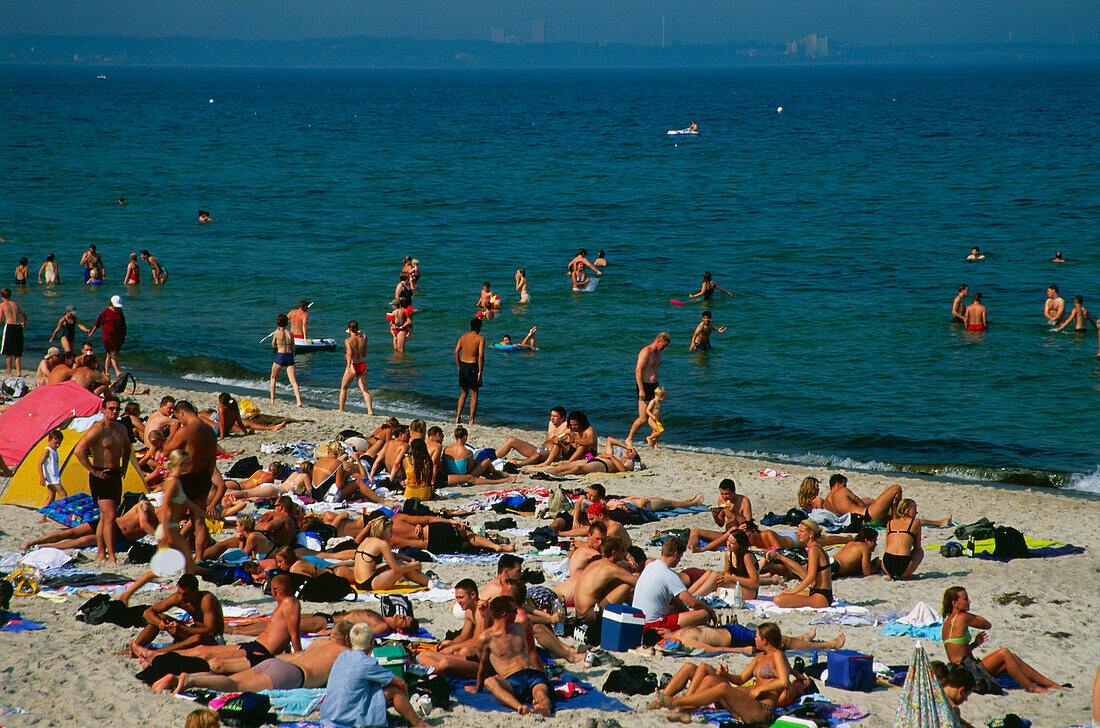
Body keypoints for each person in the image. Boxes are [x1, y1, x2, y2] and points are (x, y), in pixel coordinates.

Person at [655, 623, 805, 725]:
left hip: (763, 710)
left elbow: (783, 681)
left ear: (765, 640)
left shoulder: (777, 655)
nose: (754, 638)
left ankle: (676, 702)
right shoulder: (760, 657)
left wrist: (761, 689)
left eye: (757, 637)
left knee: (723, 688)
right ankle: (686, 712)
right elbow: (740, 679)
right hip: (749, 705)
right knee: (710, 680)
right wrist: (727, 676)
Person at [167, 620, 353, 694]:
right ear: (347, 638)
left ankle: (175, 679)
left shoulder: (319, 643)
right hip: (293, 675)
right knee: (235, 686)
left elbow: (295, 654)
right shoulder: (346, 653)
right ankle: (190, 679)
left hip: (275, 662)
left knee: (228, 680)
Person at [941, 586, 1067, 694]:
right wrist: (969, 613)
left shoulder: (947, 624)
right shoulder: (962, 617)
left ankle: (1050, 684)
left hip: (961, 670)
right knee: (1004, 653)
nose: (969, 601)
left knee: (1011, 657)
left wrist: (974, 644)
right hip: (969, 672)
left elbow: (957, 651)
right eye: (965, 599)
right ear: (954, 603)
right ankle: (1032, 687)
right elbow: (986, 624)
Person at [321, 623, 427, 728]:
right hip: (348, 718)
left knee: (369, 688)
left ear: (351, 640)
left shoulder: (342, 657)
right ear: (371, 641)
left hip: (328, 714)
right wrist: (406, 698)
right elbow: (400, 682)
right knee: (395, 691)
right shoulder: (367, 662)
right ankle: (420, 724)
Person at [467, 596, 554, 717]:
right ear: (505, 614)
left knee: (540, 693)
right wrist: (478, 688)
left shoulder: (519, 628)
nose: (517, 613)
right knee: (489, 681)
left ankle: (545, 708)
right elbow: (483, 665)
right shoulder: (487, 638)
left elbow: (532, 652)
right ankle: (520, 707)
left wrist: (544, 674)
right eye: (514, 611)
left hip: (532, 674)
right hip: (512, 680)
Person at [72, 394, 131, 562]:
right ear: (104, 410)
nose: (114, 411)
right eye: (111, 408)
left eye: (117, 409)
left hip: (115, 475)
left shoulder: (121, 429)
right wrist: (93, 470)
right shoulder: (98, 428)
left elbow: (127, 447)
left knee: (105, 517)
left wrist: (125, 465)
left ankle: (100, 553)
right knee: (111, 516)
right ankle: (111, 555)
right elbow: (79, 450)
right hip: (100, 474)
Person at [164, 400, 221, 557]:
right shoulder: (209, 431)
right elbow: (212, 460)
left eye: (179, 418)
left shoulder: (187, 430)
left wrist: (173, 432)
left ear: (182, 413)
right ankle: (200, 557)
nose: (179, 421)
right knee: (199, 521)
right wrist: (208, 478)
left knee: (175, 518)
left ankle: (173, 552)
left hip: (187, 477)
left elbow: (167, 450)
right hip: (203, 476)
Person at [632, 537, 717, 630]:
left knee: (677, 609)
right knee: (702, 614)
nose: (679, 561)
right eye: (680, 557)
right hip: (653, 625)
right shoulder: (669, 575)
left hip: (638, 621)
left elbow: (674, 600)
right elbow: (693, 603)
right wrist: (709, 610)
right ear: (676, 554)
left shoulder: (650, 566)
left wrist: (686, 611)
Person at [132, 573, 225, 657]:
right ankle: (134, 648)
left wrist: (183, 629)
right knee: (161, 617)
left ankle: (154, 652)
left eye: (185, 594)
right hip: (191, 633)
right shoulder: (178, 598)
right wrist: (160, 623)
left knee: (196, 638)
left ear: (195, 591)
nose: (181, 597)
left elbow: (210, 630)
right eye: (179, 593)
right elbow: (147, 613)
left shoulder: (206, 600)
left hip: (212, 639)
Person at [353, 516, 429, 592]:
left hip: (360, 583)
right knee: (404, 566)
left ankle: (427, 580)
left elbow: (391, 554)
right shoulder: (382, 544)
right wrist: (415, 566)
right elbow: (397, 569)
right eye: (390, 531)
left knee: (402, 563)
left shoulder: (367, 540)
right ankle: (430, 582)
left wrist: (410, 559)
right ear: (382, 530)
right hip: (370, 583)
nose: (392, 534)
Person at [571, 536, 638, 621]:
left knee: (618, 581)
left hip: (579, 613)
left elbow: (618, 566)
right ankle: (638, 611)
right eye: (622, 550)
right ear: (614, 552)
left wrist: (629, 564)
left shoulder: (597, 563)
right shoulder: (612, 569)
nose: (624, 553)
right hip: (590, 614)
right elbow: (638, 582)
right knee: (628, 585)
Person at [771, 520, 833, 607]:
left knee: (779, 600)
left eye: (801, 531)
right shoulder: (816, 547)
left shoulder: (814, 550)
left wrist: (793, 592)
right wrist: (780, 557)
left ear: (811, 533)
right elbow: (803, 573)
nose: (798, 534)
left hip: (821, 597)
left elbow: (810, 577)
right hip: (818, 592)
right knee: (783, 594)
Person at [627, 332, 670, 447]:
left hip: (655, 386)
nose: (664, 348)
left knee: (656, 414)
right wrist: (641, 389)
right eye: (664, 345)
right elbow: (638, 370)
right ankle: (629, 438)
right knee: (643, 418)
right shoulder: (646, 352)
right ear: (658, 341)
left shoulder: (658, 353)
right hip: (644, 386)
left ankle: (654, 443)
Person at [495, 406, 568, 466]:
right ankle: (492, 457)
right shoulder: (551, 424)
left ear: (562, 418)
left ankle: (517, 465)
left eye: (555, 416)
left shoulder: (566, 426)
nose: (552, 418)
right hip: (540, 450)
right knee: (511, 440)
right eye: (551, 415)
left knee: (537, 456)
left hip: (551, 454)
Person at [822, 473, 901, 526]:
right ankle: (896, 519)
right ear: (838, 483)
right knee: (896, 488)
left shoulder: (826, 503)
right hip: (868, 516)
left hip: (861, 522)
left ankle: (895, 518)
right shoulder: (842, 491)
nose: (845, 487)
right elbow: (861, 504)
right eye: (844, 484)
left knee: (888, 515)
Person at [882, 498, 922, 580]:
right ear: (907, 510)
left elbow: (888, 543)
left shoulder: (890, 522)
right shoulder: (915, 522)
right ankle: (905, 575)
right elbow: (917, 547)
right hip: (902, 563)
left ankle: (890, 574)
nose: (916, 512)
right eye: (915, 510)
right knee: (920, 551)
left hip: (887, 563)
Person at [87, 294, 126, 378]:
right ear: (111, 303)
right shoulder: (106, 312)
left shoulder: (120, 312)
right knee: (113, 353)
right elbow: (98, 323)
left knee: (109, 354)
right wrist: (92, 332)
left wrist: (123, 336)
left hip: (118, 337)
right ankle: (117, 371)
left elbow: (123, 325)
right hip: (107, 336)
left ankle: (106, 371)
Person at [454, 318, 485, 424]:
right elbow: (480, 355)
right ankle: (471, 420)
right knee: (474, 394)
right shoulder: (480, 338)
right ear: (480, 328)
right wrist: (480, 371)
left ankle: (458, 417)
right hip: (473, 366)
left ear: (470, 326)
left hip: (463, 365)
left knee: (463, 393)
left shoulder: (463, 336)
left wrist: (459, 365)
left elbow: (456, 351)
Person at [339, 320, 374, 414]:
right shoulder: (363, 340)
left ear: (349, 329)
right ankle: (370, 411)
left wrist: (348, 365)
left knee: (343, 388)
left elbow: (350, 354)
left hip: (353, 365)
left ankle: (341, 409)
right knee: (364, 390)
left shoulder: (348, 340)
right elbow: (365, 354)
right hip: (362, 365)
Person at [269, 313, 302, 407]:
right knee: (293, 380)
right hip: (289, 355)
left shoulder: (276, 333)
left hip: (280, 355)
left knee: (273, 377)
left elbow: (273, 344)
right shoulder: (290, 333)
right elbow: (293, 348)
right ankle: (299, 401)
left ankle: (272, 399)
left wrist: (275, 336)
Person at [36, 429, 66, 522]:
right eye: (55, 443)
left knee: (51, 496)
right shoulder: (47, 450)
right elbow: (40, 463)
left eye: (59, 443)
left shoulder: (54, 451)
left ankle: (43, 517)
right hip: (52, 478)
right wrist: (42, 477)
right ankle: (63, 514)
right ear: (49, 440)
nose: (57, 445)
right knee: (64, 494)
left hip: (54, 477)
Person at [0, 287, 27, 377]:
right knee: (17, 351)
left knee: (8, 351)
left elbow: (0, 319)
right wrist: (24, 323)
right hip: (18, 326)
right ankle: (18, 372)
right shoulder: (15, 304)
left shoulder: (2, 305)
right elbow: (24, 315)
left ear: (1, 296)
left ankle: (10, 372)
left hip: (10, 326)